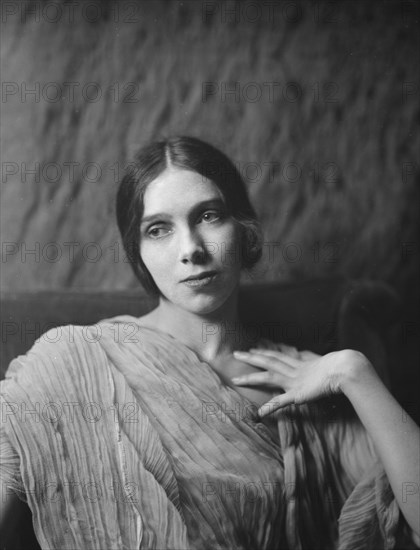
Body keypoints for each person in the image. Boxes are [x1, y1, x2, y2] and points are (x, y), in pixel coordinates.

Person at [0, 136, 419, 549]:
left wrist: (355, 373)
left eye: (209, 216)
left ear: (245, 230)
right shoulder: (71, 365)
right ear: (138, 251)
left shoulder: (301, 382)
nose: (191, 250)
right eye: (158, 229)